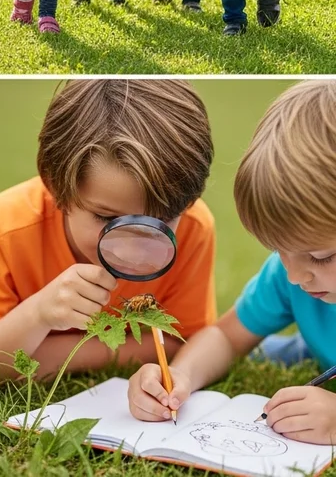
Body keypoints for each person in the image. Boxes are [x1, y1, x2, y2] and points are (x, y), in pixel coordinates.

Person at [0, 79, 217, 384]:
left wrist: (52, 354)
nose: (132, 250)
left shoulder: (195, 227)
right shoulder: (0, 230)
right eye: (105, 218)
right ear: (54, 184)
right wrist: (38, 315)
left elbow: (182, 340)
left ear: (189, 202)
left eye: (161, 221)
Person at [128, 81, 336, 445]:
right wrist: (181, 375)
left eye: (321, 256)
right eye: (279, 250)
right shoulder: (290, 277)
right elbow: (226, 335)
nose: (294, 275)